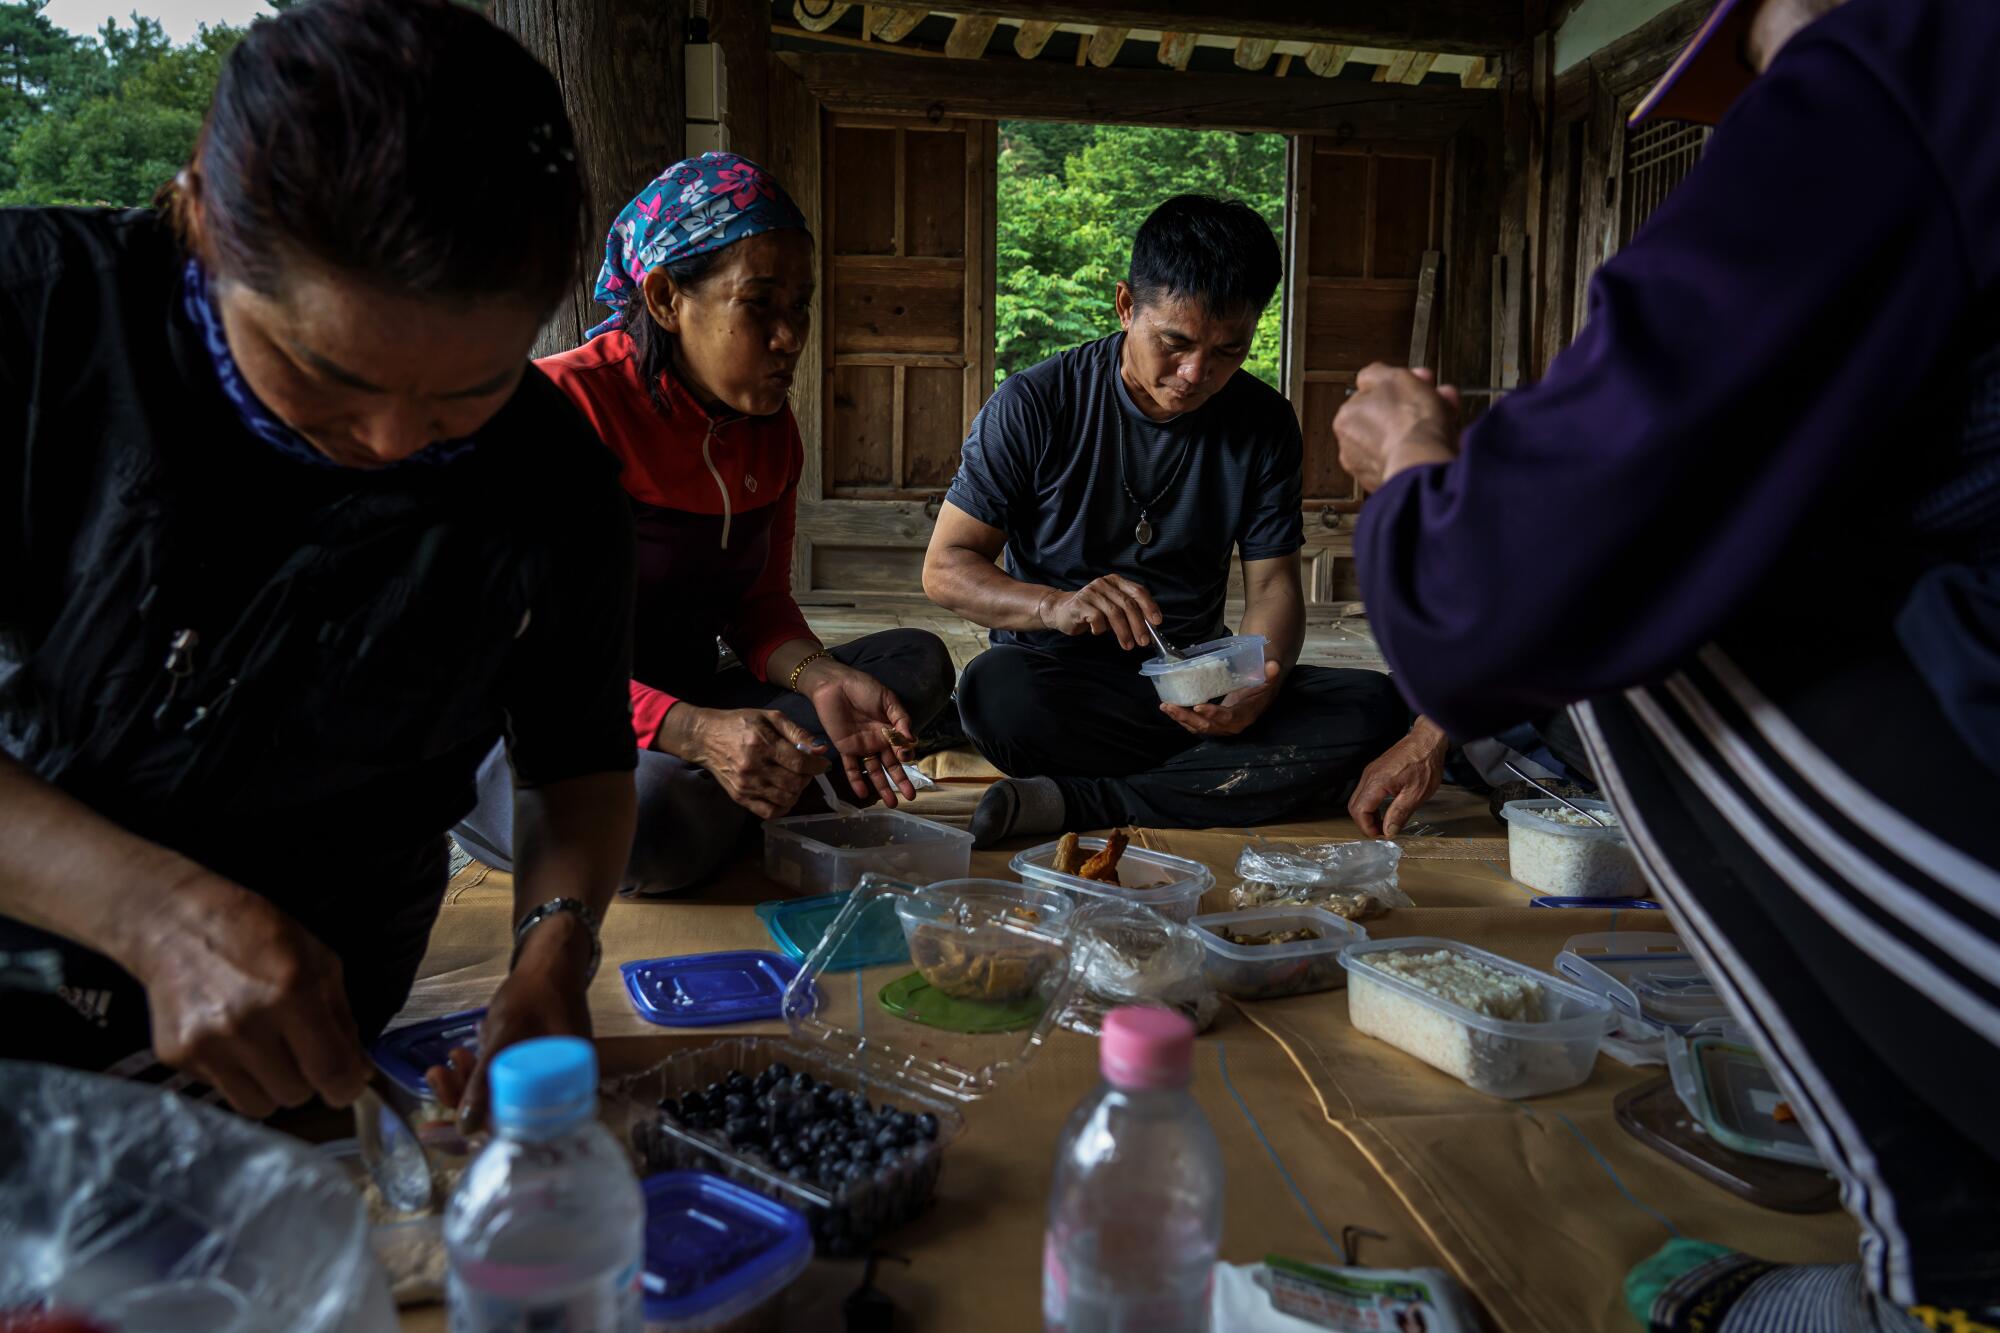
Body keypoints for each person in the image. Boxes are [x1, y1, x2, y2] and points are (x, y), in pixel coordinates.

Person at [1335, 0, 2000, 1328]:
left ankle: (1948, 1277)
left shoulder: (1913, 53)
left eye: (1755, 64)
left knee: (1624, 599)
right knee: (1007, 688)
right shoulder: (1047, 402)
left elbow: (1507, 592)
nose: (1761, 99)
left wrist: (1411, 473)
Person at [0, 0, 637, 1132]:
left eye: (467, 393)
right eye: (321, 371)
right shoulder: (36, 329)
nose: (396, 444)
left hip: (318, 1027)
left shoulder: (551, 469)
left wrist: (552, 953)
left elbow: (575, 759)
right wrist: (148, 909)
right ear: (199, 214)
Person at [454, 153, 955, 895]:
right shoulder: (558, 413)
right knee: (648, 821)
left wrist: (817, 679)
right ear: (664, 298)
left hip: (678, 703)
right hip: (526, 724)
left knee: (912, 663)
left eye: (802, 306)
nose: (790, 337)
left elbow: (757, 608)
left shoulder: (771, 429)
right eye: (759, 305)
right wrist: (697, 731)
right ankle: (757, 789)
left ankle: (759, 781)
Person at [924, 194, 1446, 847]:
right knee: (993, 695)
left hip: (1197, 683)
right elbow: (946, 569)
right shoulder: (1037, 402)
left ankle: (1090, 797)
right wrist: (1055, 606)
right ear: (1125, 306)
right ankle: (1230, 782)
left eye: (1229, 350)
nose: (1197, 373)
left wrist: (1255, 680)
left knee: (1380, 707)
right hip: (1063, 685)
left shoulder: (1263, 423)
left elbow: (1275, 586)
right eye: (1175, 342)